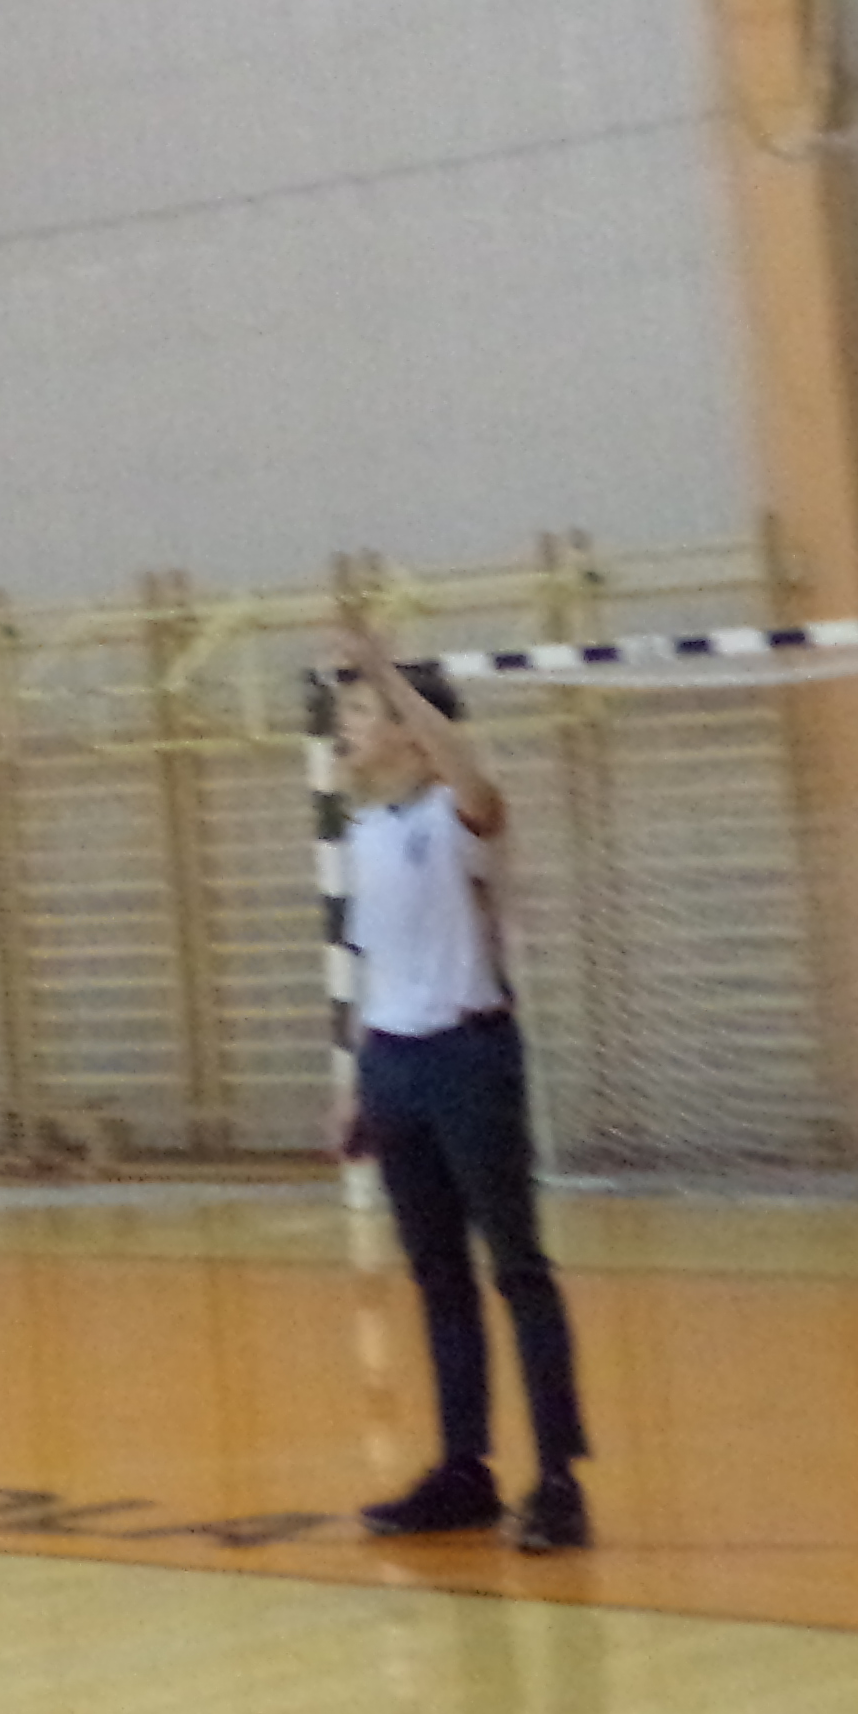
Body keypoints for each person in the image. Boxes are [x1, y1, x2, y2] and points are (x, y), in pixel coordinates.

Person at [329, 618, 592, 1555]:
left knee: (516, 1267)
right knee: (437, 1274)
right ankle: (464, 1470)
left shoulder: (458, 817)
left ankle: (558, 1481)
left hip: (470, 1057)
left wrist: (387, 673)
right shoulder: (363, 833)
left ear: (411, 731)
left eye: (361, 714)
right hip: (396, 1063)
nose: (345, 729)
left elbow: (473, 778)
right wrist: (360, 1081)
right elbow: (377, 969)